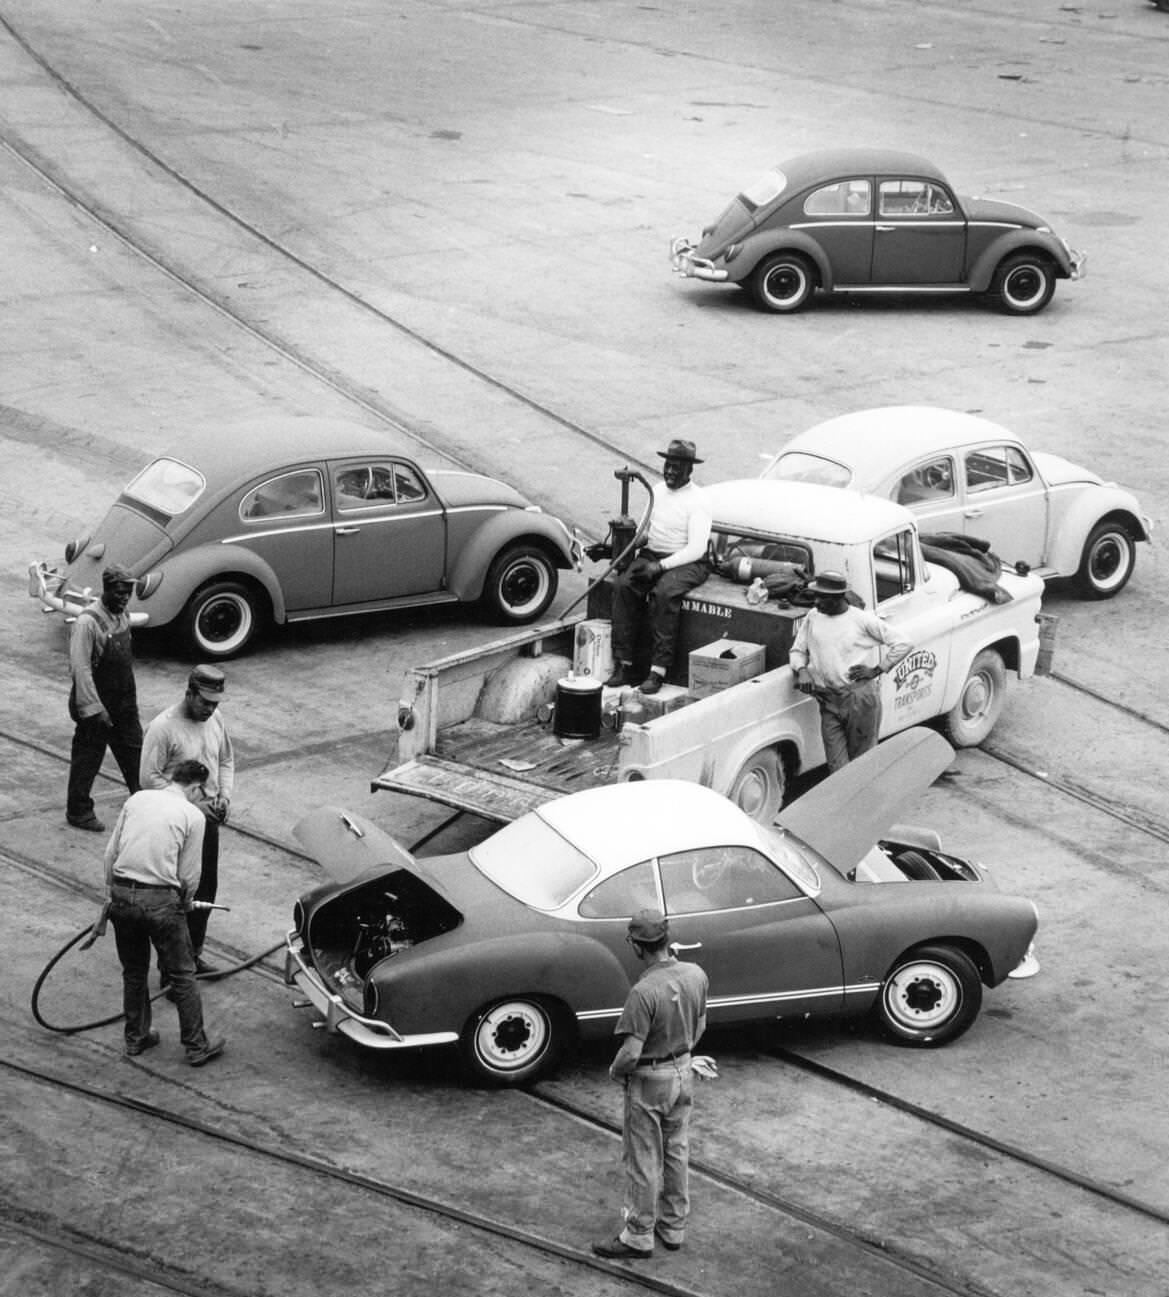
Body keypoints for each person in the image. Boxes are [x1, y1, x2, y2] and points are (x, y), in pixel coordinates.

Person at [593, 910, 709, 1260]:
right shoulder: (696, 974)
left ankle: (639, 1234)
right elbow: (700, 1026)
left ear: (636, 946)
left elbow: (631, 1052)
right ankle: (674, 1227)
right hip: (683, 1073)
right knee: (676, 1151)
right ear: (667, 938)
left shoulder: (642, 992)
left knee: (643, 1158)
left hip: (648, 1082)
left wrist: (616, 1072)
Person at [104, 759, 226, 1066]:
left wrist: (116, 895)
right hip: (160, 901)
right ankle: (196, 1046)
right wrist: (184, 905)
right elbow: (189, 876)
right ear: (196, 786)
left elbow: (111, 853)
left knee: (134, 971)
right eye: (203, 792)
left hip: (121, 894)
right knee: (183, 974)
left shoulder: (138, 798)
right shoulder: (193, 815)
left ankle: (136, 1038)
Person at [140, 665, 235, 972]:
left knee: (205, 891)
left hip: (207, 822)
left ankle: (191, 957)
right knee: (177, 896)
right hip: (175, 825)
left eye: (215, 703)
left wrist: (224, 796)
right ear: (189, 693)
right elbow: (148, 779)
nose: (210, 709)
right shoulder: (163, 728)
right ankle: (172, 971)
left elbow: (226, 760)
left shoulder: (215, 719)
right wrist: (192, 806)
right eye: (205, 702)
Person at [605, 440, 712, 696]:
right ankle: (625, 664)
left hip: (688, 561)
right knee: (623, 585)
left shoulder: (699, 500)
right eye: (668, 466)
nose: (670, 472)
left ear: (689, 470)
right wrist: (621, 545)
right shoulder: (657, 491)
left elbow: (696, 549)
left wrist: (660, 566)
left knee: (664, 594)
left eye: (677, 467)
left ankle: (658, 670)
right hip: (654, 554)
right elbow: (644, 533)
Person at [789, 571, 912, 771]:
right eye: (816, 596)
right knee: (837, 767)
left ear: (838, 598)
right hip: (828, 699)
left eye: (823, 597)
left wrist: (877, 669)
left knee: (863, 764)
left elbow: (904, 643)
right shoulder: (813, 616)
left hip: (858, 698)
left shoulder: (861, 620)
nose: (817, 602)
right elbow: (798, 650)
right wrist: (801, 669)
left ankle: (865, 802)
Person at [65, 564, 143, 832]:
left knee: (135, 754)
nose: (125, 597)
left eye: (128, 592)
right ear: (107, 589)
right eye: (120, 592)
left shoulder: (123, 616)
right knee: (88, 757)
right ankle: (78, 811)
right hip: (96, 704)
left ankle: (144, 805)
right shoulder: (87, 623)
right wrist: (94, 708)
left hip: (123, 702)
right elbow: (81, 668)